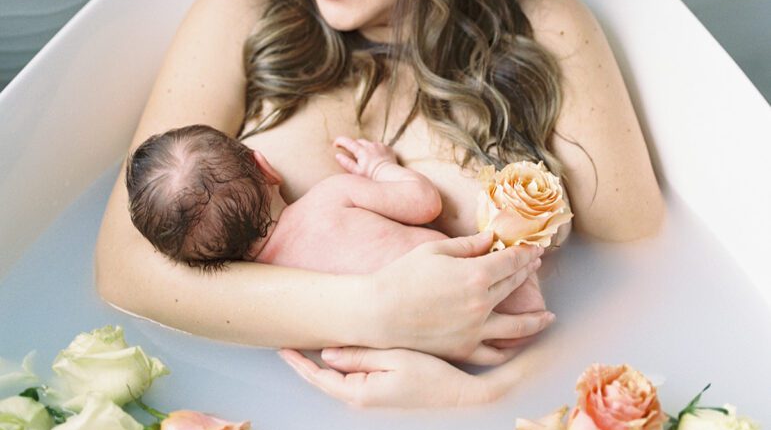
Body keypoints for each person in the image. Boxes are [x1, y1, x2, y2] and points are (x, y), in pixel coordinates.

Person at [96, 0, 664, 408]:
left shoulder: (549, 32)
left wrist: (485, 397)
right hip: (248, 414)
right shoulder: (237, 20)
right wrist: (372, 311)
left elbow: (646, 272)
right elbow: (126, 271)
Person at [124, 125, 548, 312]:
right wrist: (380, 167)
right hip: (498, 284)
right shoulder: (330, 195)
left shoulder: (284, 297)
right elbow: (424, 203)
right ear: (266, 169)